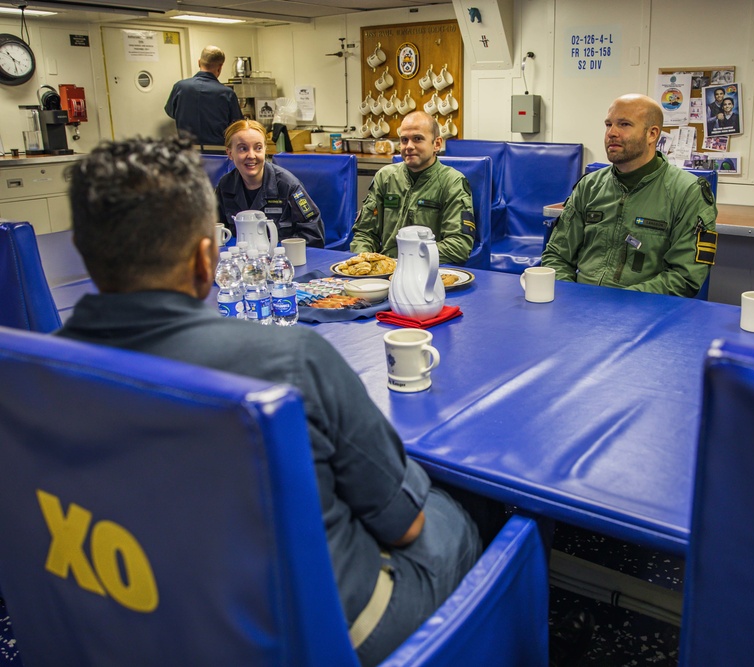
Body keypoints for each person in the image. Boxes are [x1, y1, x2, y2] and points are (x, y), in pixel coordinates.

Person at [55, 135, 482, 666]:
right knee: (451, 517)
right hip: (303, 633)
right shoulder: (291, 363)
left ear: (82, 249)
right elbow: (405, 524)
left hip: (135, 609)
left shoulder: (28, 373)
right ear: (208, 255)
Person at [541, 93, 718, 296]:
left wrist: (620, 304)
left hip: (644, 311)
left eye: (624, 124)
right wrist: (570, 296)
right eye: (608, 125)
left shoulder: (688, 192)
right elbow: (557, 255)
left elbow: (684, 277)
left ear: (652, 134)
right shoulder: (589, 186)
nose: (611, 133)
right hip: (581, 306)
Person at [351, 110, 475, 265]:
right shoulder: (386, 177)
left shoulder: (452, 182)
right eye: (404, 140)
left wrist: (407, 259)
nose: (408, 146)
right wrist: (364, 262)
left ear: (437, 144)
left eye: (417, 139)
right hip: (384, 271)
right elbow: (365, 233)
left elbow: (459, 246)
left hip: (429, 271)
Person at [215, 119, 326, 248]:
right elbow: (214, 233)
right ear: (230, 153)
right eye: (243, 149)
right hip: (240, 262)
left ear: (265, 150)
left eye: (258, 148)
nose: (251, 155)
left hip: (281, 262)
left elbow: (314, 236)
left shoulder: (288, 186)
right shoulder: (225, 186)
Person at [164, 46, 242, 147]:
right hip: (218, 153)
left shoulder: (180, 87)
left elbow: (171, 112)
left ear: (199, 62)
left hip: (187, 151)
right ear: (220, 66)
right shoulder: (227, 93)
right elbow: (238, 125)